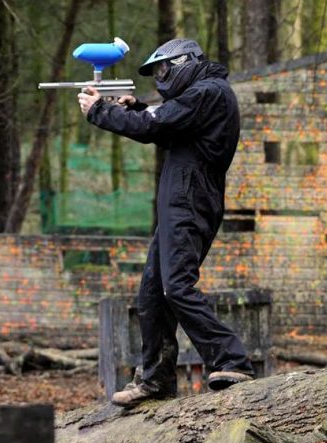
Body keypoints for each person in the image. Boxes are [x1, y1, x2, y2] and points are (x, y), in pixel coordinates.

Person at [77, 39, 254, 407]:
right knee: (153, 292)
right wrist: (138, 106)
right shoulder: (203, 96)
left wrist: (100, 112)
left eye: (163, 70)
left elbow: (155, 125)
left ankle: (232, 360)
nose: (161, 78)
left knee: (176, 286)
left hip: (190, 202)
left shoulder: (210, 91)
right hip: (181, 203)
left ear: (183, 62)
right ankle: (156, 377)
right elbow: (165, 121)